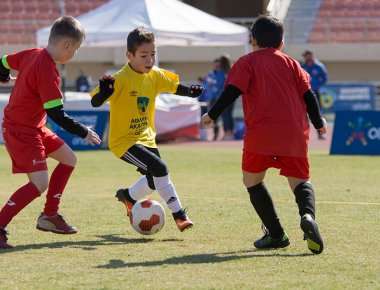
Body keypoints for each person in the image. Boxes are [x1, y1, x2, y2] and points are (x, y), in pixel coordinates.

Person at [201, 16, 327, 254]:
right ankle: (307, 216)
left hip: (261, 135)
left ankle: (276, 234)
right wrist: (319, 123)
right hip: (294, 135)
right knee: (300, 181)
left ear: (253, 40)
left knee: (252, 181)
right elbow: (309, 96)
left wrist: (212, 115)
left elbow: (231, 92)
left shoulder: (247, 62)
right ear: (281, 42)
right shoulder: (292, 63)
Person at [0, 16, 101, 249]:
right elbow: (57, 114)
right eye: (75, 49)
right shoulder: (46, 69)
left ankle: (49, 216)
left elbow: (2, 62)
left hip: (33, 127)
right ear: (66, 45)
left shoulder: (32, 53)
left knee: (69, 159)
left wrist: (3, 75)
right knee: (39, 183)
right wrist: (83, 131)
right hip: (21, 130)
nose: (73, 54)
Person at [90, 27, 203, 232]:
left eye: (153, 54)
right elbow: (95, 102)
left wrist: (190, 92)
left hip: (147, 138)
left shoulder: (155, 75)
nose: (149, 59)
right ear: (129, 55)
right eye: (143, 55)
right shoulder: (120, 78)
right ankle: (179, 215)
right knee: (160, 169)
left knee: (154, 179)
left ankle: (128, 196)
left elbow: (175, 86)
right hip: (123, 142)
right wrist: (104, 93)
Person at [301, 50, 328, 139]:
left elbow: (324, 78)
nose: (306, 58)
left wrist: (316, 85)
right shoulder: (302, 66)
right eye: (305, 56)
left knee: (317, 113)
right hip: (303, 92)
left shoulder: (319, 66)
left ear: (311, 56)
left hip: (314, 92)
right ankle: (302, 134)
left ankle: (320, 133)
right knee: (301, 113)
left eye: (307, 56)